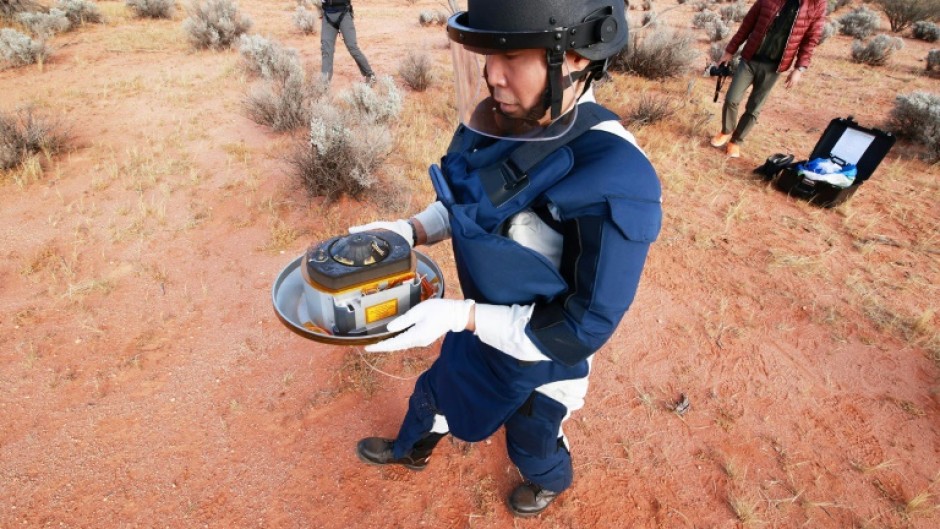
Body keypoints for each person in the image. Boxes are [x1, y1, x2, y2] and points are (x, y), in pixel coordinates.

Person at [348, 0, 662, 517]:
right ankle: (412, 450)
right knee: (436, 393)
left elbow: (578, 330)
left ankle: (549, 480)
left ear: (579, 57)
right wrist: (410, 230)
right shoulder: (500, 119)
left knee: (531, 439)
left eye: (511, 56)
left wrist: (462, 315)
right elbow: (468, 203)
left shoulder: (617, 179)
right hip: (481, 331)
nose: (492, 76)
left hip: (543, 360)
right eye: (485, 55)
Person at [711, 0, 827, 158]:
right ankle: (726, 131)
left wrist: (799, 68)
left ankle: (736, 141)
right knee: (732, 98)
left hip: (774, 67)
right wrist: (730, 51)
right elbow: (747, 25)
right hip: (750, 59)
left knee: (754, 107)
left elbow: (810, 40)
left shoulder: (817, 4)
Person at [319, 0, 375, 83]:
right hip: (327, 15)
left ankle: (370, 76)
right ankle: (324, 85)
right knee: (326, 49)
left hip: (344, 13)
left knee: (352, 46)